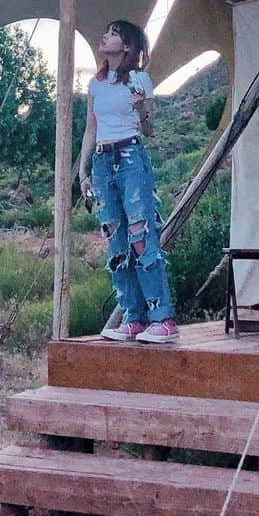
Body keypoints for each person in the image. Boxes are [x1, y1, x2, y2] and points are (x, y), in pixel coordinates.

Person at [80, 19, 179, 344]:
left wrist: (142, 109)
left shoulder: (138, 79)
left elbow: (148, 129)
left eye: (113, 33)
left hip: (130, 157)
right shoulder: (96, 84)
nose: (105, 36)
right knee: (115, 236)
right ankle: (133, 316)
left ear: (126, 46)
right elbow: (90, 129)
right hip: (102, 160)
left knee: (141, 233)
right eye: (106, 31)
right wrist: (83, 171)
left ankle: (161, 317)